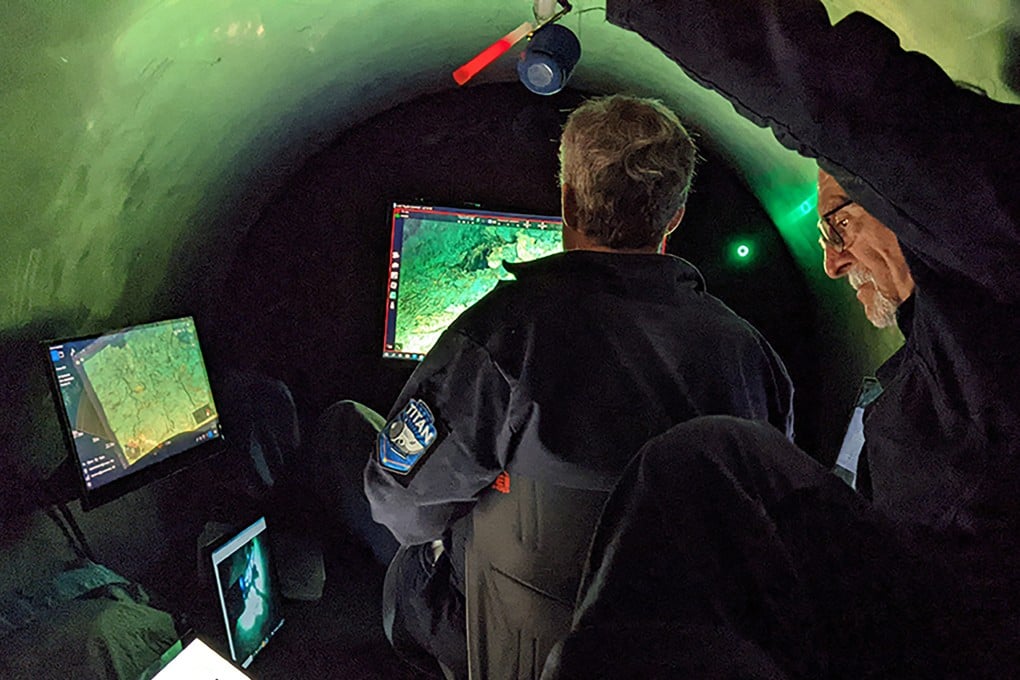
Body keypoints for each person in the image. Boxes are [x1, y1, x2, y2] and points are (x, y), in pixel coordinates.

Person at [542, 0, 1020, 677]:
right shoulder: (890, 364)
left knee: (708, 461)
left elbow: (845, 108)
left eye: (837, 225)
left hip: (957, 633)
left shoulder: (993, 237)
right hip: (906, 618)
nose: (832, 261)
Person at [362, 94, 795, 679]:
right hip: (683, 655)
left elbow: (398, 506)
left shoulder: (501, 337)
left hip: (518, 649)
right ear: (674, 218)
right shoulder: (754, 358)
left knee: (352, 440)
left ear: (566, 199)